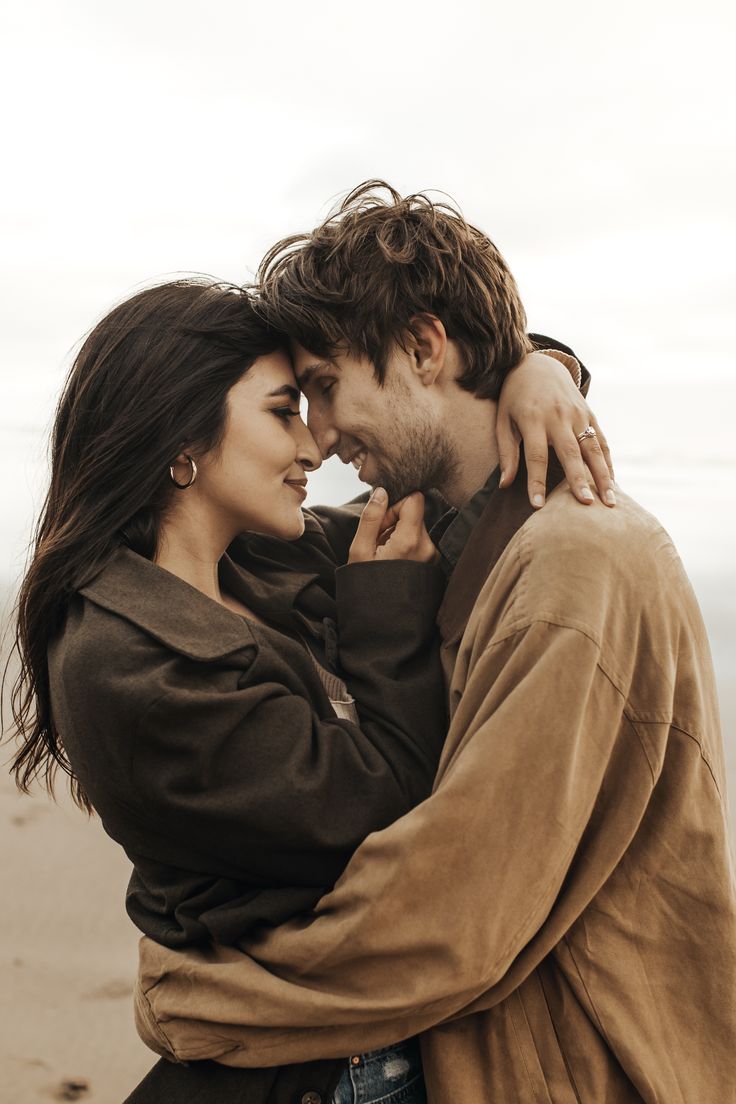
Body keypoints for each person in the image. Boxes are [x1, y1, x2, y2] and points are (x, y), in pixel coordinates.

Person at [134, 183, 736, 1104]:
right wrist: (545, 362)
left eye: (327, 389)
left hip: (579, 1060)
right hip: (490, 1044)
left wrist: (209, 995)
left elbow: (455, 913)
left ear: (422, 348)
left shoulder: (579, 565)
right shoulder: (441, 530)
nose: (321, 438)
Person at [7, 275, 604, 1104]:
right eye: (284, 411)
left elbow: (448, 477)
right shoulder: (127, 667)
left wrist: (541, 368)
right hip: (321, 1072)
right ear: (180, 441)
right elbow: (385, 811)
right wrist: (385, 613)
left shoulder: (257, 560)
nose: (313, 446)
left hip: (370, 1037)